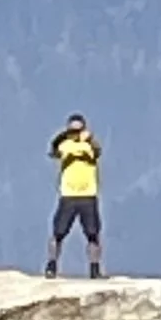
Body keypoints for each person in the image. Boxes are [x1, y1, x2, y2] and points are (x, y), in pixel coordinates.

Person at [46, 115, 104, 277]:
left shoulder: (90, 146)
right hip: (69, 195)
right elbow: (55, 150)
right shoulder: (65, 145)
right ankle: (51, 265)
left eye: (78, 130)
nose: (76, 134)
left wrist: (89, 139)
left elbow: (97, 150)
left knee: (93, 234)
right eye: (73, 130)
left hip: (88, 194)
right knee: (58, 233)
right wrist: (66, 136)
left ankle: (94, 268)